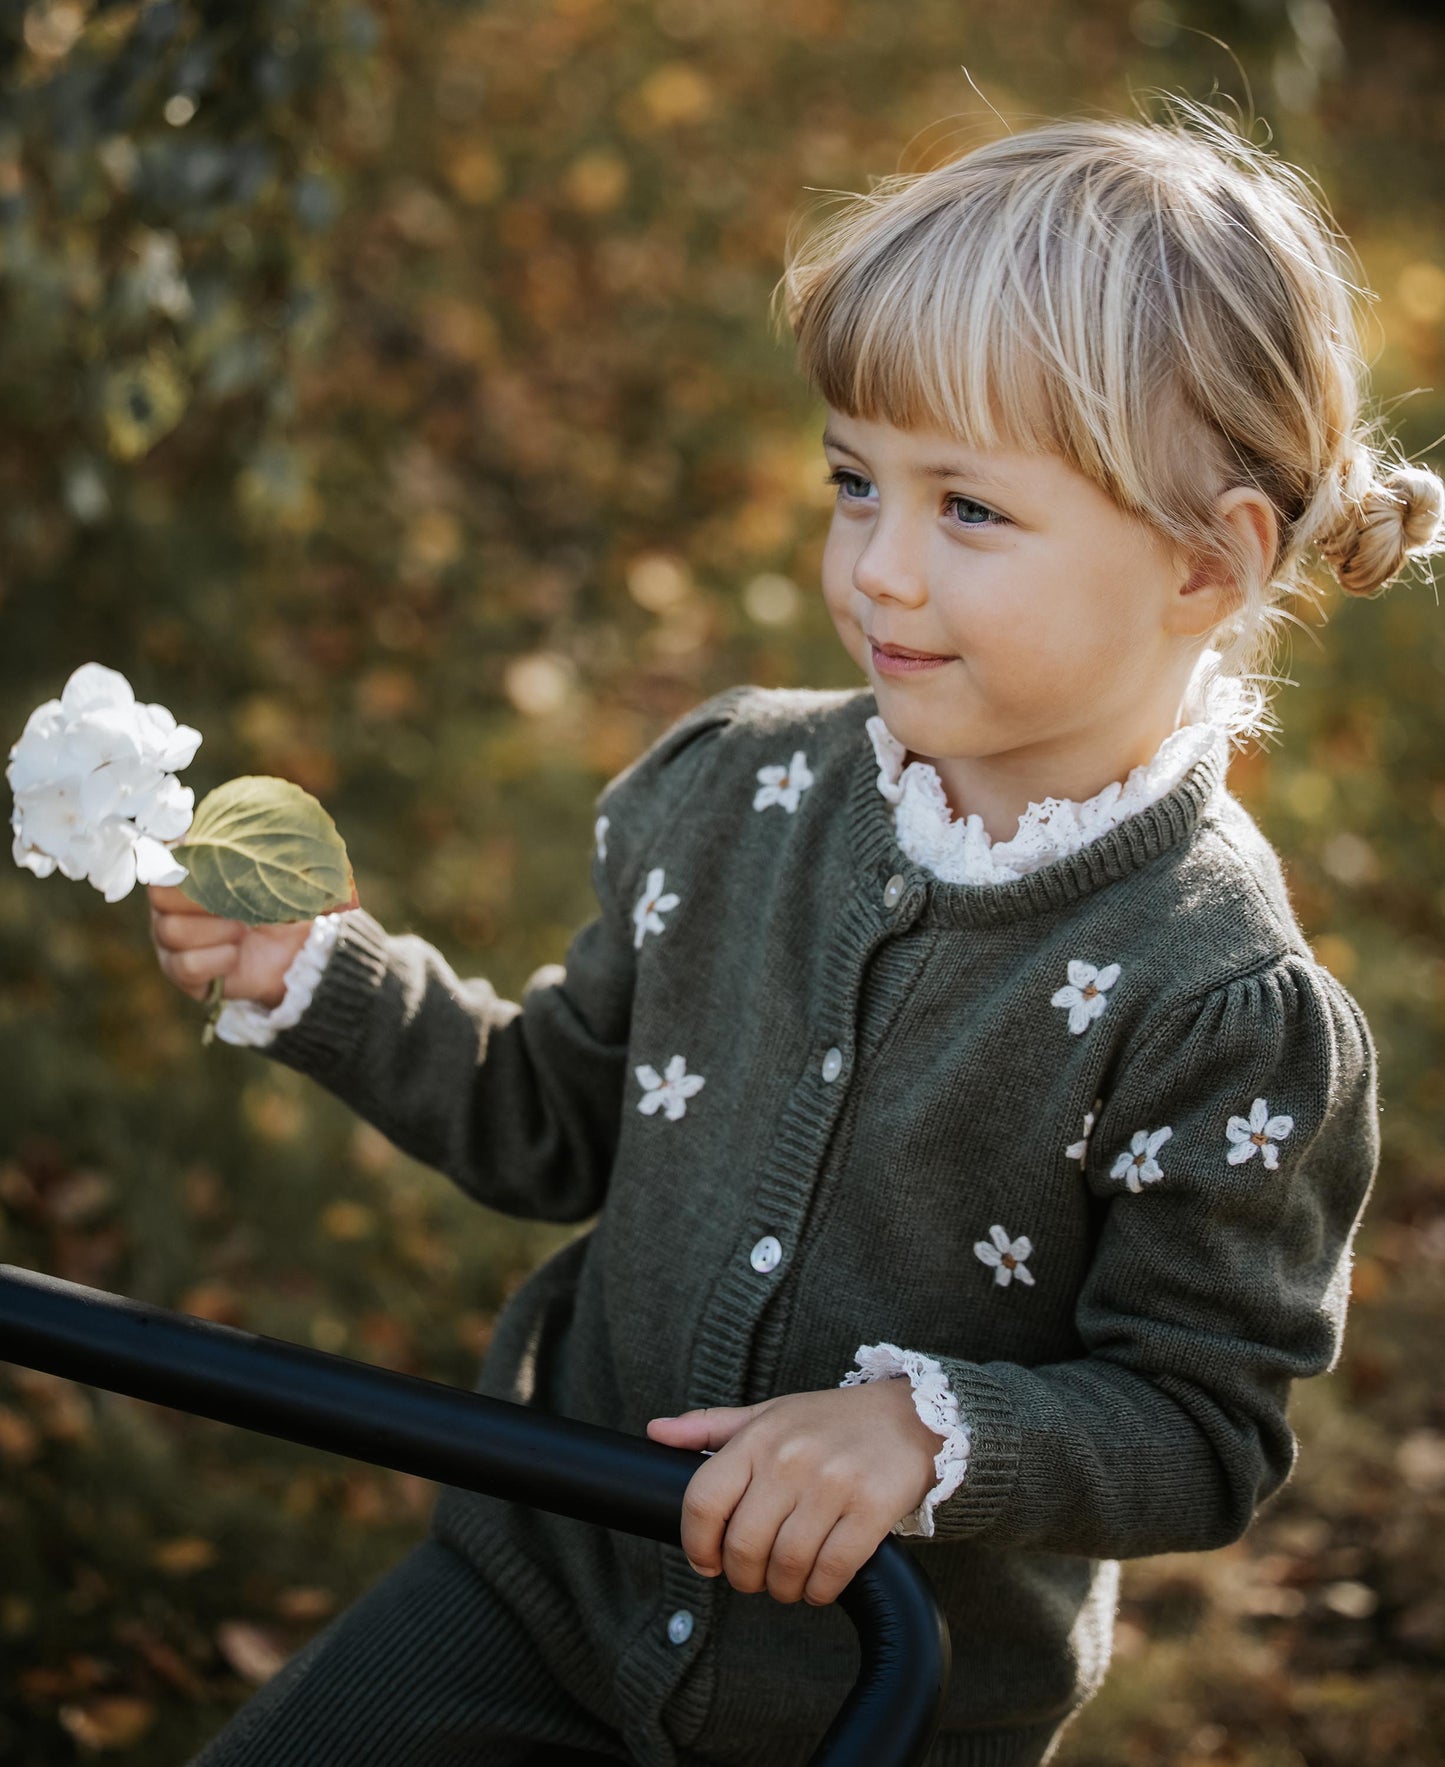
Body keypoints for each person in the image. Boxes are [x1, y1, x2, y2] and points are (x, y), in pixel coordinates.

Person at [149, 98, 1441, 1767]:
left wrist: (925, 1430)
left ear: (1206, 564)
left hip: (874, 1703)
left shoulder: (1222, 1011)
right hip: (541, 1585)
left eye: (965, 511)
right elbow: (554, 1120)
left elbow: (1200, 1423)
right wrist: (326, 983)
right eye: (854, 483)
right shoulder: (733, 794)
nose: (876, 570)